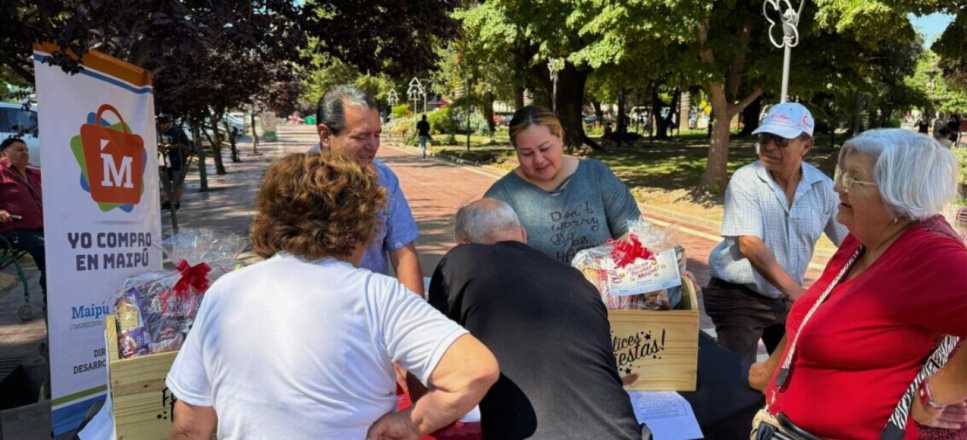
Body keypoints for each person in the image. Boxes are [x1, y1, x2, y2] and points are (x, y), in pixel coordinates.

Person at [165, 153, 499, 439]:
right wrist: (411, 422)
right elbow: (474, 371)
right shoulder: (376, 294)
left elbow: (191, 423)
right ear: (360, 225)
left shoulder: (226, 291)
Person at [748, 129, 967, 438]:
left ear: (899, 192)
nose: (838, 187)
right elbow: (815, 309)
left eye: (854, 178)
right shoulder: (864, 238)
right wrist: (770, 370)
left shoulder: (929, 255)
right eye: (841, 173)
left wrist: (934, 395)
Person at [427, 198, 641, 439]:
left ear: (464, 243)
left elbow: (429, 354)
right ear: (523, 234)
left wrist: (421, 421)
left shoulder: (460, 261)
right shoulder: (577, 279)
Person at [704, 102, 846, 367]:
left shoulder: (823, 188)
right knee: (737, 379)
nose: (769, 147)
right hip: (739, 296)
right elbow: (749, 244)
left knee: (797, 371)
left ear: (806, 146)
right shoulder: (746, 180)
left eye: (780, 140)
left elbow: (851, 242)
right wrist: (796, 292)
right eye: (764, 138)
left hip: (784, 298)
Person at [484, 105, 642, 264]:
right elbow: (494, 264)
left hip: (608, 284)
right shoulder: (501, 197)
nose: (538, 159)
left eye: (545, 148)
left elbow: (631, 231)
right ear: (516, 150)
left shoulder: (595, 174)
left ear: (561, 138)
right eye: (527, 153)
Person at [312, 84, 425, 294]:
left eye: (377, 134)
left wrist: (416, 316)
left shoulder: (384, 179)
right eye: (361, 136)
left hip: (370, 309)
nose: (373, 145)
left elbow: (403, 253)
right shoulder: (295, 182)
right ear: (325, 135)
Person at [0, 137, 45, 292]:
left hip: (41, 229)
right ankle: (51, 303)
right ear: (4, 153)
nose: (25, 152)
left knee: (65, 247)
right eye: (19, 149)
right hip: (14, 230)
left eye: (26, 149)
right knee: (47, 253)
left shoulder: (34, 174)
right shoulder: (1, 171)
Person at [157, 116, 190, 210]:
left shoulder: (177, 131)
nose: (162, 126)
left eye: (163, 124)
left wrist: (171, 146)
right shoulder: (157, 132)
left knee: (177, 182)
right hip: (162, 161)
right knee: (165, 182)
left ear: (168, 123)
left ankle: (176, 202)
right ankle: (168, 200)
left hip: (177, 160)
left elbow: (186, 146)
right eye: (160, 124)